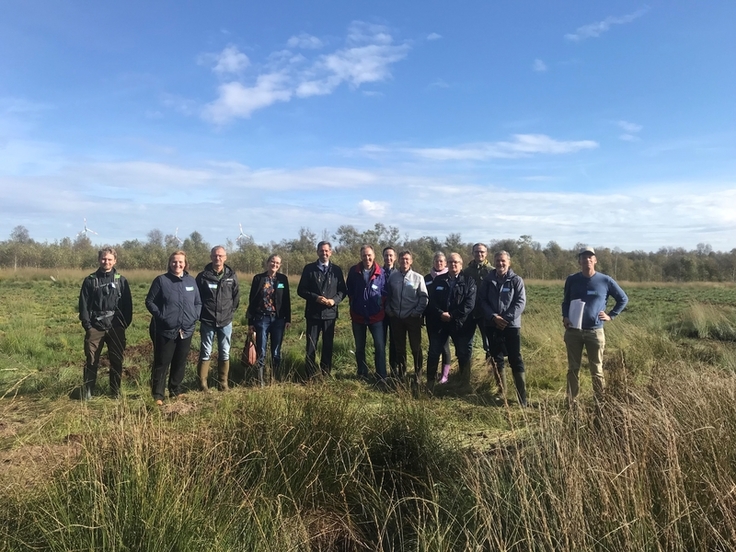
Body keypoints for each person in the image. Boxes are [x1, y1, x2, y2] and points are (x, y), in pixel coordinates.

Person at [562, 246, 628, 404]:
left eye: (590, 257)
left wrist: (610, 316)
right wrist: (565, 316)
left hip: (595, 332)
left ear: (595, 260)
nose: (587, 260)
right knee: (573, 369)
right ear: (579, 261)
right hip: (573, 331)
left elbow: (623, 299)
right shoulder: (572, 279)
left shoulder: (605, 280)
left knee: (597, 370)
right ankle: (572, 402)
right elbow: (565, 301)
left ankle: (600, 402)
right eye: (584, 258)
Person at [146, 251, 202, 405]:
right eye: (174, 262)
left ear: (185, 263)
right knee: (162, 361)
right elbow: (150, 301)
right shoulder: (161, 281)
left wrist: (194, 316)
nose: (177, 265)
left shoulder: (191, 281)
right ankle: (158, 394)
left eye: (180, 262)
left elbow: (198, 302)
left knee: (180, 360)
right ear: (170, 263)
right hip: (165, 329)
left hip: (186, 329)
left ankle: (175, 389)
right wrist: (162, 317)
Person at [78, 247, 133, 400]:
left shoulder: (121, 280)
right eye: (103, 259)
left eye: (109, 259)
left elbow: (128, 306)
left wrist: (123, 324)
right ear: (99, 260)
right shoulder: (90, 280)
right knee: (92, 359)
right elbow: (83, 305)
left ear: (115, 261)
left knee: (116, 360)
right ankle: (88, 391)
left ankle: (115, 392)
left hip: (116, 327)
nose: (106, 262)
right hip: (95, 327)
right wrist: (87, 325)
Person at [480, 250, 528, 406]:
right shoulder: (487, 280)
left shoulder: (516, 280)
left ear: (509, 262)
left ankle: (522, 397)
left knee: (515, 358)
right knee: (496, 358)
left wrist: (506, 319)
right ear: (493, 262)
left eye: (503, 261)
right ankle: (502, 392)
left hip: (511, 326)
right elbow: (482, 301)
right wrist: (494, 317)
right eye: (498, 261)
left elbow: (520, 302)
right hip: (492, 324)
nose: (500, 263)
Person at [424, 253, 476, 393]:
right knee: (434, 352)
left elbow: (469, 304)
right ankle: (430, 383)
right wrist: (441, 313)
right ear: (447, 263)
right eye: (451, 262)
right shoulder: (439, 280)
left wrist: (452, 315)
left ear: (461, 263)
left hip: (459, 323)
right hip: (439, 322)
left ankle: (464, 384)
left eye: (456, 262)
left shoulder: (469, 281)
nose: (453, 264)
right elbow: (431, 300)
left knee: (463, 353)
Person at [297, 241, 347, 378]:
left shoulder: (336, 270)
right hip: (313, 314)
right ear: (317, 252)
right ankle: (310, 375)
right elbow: (301, 290)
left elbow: (343, 291)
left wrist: (334, 301)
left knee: (328, 346)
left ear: (331, 252)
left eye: (326, 251)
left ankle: (325, 374)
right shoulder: (309, 269)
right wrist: (315, 298)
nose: (324, 253)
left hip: (330, 314)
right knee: (311, 346)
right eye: (321, 250)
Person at [196, 246, 240, 391]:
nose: (218, 258)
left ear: (225, 257)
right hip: (208, 320)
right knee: (206, 351)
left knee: (225, 351)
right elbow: (197, 298)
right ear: (211, 257)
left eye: (221, 256)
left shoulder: (231, 276)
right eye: (215, 256)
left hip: (226, 321)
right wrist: (202, 313)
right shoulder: (202, 277)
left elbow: (236, 297)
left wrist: (229, 312)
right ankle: (203, 384)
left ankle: (223, 383)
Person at [385, 250, 428, 391]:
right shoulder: (393, 277)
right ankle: (401, 373)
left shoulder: (418, 278)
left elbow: (424, 297)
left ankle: (418, 374)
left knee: (415, 347)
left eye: (407, 259)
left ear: (411, 261)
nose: (404, 262)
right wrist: (389, 310)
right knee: (399, 348)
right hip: (396, 318)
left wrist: (416, 313)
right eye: (402, 259)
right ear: (399, 261)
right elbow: (387, 295)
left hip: (412, 318)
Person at [247, 254, 291, 385]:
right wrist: (250, 321)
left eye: (277, 263)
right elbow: (252, 300)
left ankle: (275, 379)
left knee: (276, 350)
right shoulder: (258, 278)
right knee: (261, 349)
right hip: (261, 319)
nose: (275, 265)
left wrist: (288, 319)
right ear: (268, 262)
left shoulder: (283, 279)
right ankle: (260, 380)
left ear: (280, 265)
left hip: (278, 319)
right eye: (273, 262)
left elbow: (286, 299)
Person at [346, 245, 387, 382]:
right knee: (359, 347)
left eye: (369, 255)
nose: (367, 258)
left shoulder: (380, 272)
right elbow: (349, 290)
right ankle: (362, 374)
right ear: (361, 256)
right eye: (364, 255)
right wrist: (354, 303)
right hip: (358, 316)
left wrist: (379, 303)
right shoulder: (353, 271)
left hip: (376, 316)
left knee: (380, 346)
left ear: (374, 256)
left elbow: (385, 291)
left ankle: (381, 375)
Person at [424, 252, 452, 384]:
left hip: (445, 317)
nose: (438, 263)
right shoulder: (427, 278)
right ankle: (431, 377)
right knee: (433, 347)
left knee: (445, 347)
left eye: (441, 261)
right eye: (436, 261)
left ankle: (444, 376)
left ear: (445, 263)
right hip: (431, 317)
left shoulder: (448, 277)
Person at [463, 243, 492, 369]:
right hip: (469, 312)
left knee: (489, 344)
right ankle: (465, 372)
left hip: (486, 312)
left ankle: (491, 371)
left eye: (482, 252)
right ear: (472, 253)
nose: (479, 254)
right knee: (467, 343)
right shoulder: (466, 271)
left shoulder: (491, 271)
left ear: (486, 253)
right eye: (476, 252)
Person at [382, 246, 398, 377]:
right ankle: (381, 370)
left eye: (391, 255)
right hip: (380, 313)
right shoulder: (378, 272)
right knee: (380, 342)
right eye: (386, 255)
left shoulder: (399, 274)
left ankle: (394, 370)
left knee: (394, 342)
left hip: (394, 313)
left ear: (395, 257)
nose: (388, 258)